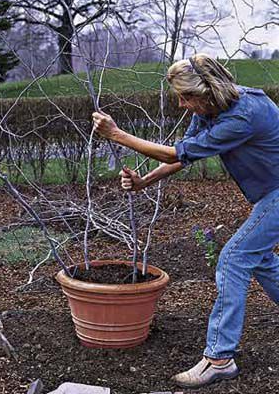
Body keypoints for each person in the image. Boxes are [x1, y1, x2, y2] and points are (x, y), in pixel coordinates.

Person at [92, 53, 279, 389]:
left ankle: (219, 359)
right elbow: (184, 154)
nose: (181, 104)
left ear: (208, 91)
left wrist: (117, 134)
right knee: (259, 258)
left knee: (233, 258)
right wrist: (144, 182)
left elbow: (173, 154)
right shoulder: (209, 110)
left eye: (186, 97)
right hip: (270, 195)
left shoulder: (245, 115)